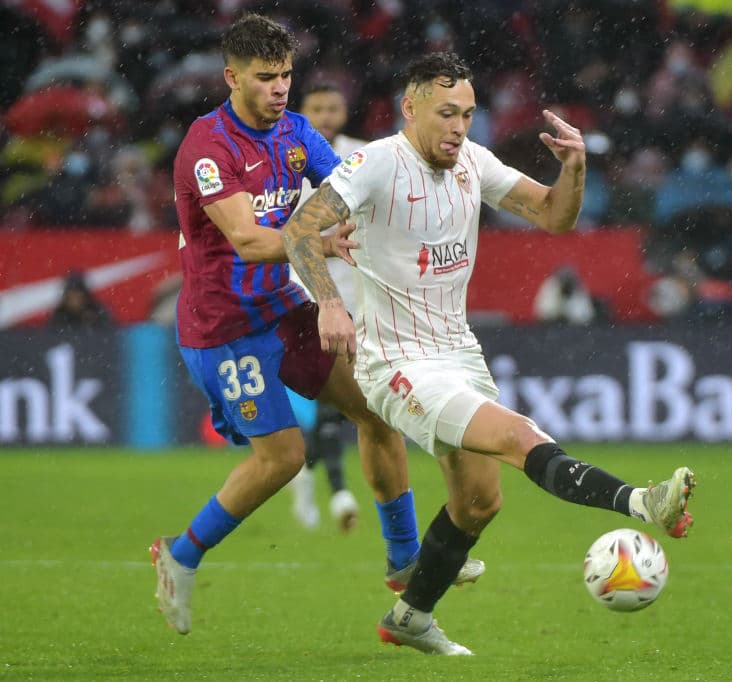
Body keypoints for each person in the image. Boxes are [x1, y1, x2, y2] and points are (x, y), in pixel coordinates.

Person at [282, 51, 697, 656]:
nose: (459, 126)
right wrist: (330, 304)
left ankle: (410, 616)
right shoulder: (372, 165)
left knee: (479, 501)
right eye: (446, 113)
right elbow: (298, 232)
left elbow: (555, 216)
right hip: (396, 363)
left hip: (459, 352)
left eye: (469, 114)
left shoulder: (474, 162)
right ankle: (641, 501)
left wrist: (574, 169)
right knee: (516, 436)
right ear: (411, 107)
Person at [151, 15, 482, 636]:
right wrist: (325, 245)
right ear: (232, 77)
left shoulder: (298, 134)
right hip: (223, 326)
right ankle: (180, 553)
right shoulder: (209, 148)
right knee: (283, 458)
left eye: (286, 76)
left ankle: (405, 561)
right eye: (266, 77)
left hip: (281, 307)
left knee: (377, 410)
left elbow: (352, 189)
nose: (280, 88)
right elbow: (248, 241)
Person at [285, 84, 369, 532]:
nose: (326, 114)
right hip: (305, 295)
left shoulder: (362, 156)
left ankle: (307, 476)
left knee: (344, 404)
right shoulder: (286, 161)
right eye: (317, 107)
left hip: (355, 294)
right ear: (304, 112)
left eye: (333, 106)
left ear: (344, 109)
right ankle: (336, 491)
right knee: (329, 402)